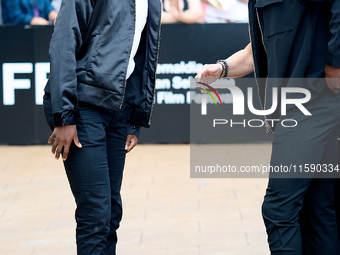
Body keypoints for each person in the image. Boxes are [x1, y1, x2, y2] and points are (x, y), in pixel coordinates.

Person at [196, 0, 340, 253]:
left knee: (279, 209)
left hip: (313, 103)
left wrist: (335, 65)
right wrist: (221, 69)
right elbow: (254, 53)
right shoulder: (260, 5)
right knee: (317, 209)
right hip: (306, 105)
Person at [43, 0, 161, 254]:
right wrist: (64, 115)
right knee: (95, 214)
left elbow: (139, 58)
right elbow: (65, 39)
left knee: (110, 213)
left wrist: (133, 118)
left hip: (117, 110)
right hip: (82, 104)